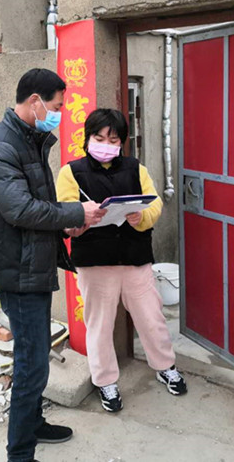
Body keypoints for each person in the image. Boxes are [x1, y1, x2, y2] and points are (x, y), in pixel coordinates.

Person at [0, 68, 107, 462]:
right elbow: (19, 210)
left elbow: (39, 207)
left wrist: (69, 224)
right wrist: (75, 212)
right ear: (34, 102)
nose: (59, 114)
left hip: (32, 264)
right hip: (15, 270)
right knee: (32, 364)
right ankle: (20, 453)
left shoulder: (28, 141)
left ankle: (33, 424)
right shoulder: (1, 147)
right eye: (56, 106)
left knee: (34, 356)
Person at [56, 108, 187, 413]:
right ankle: (105, 381)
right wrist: (80, 220)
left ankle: (165, 366)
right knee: (99, 325)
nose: (106, 145)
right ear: (88, 138)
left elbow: (154, 204)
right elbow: (65, 212)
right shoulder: (71, 172)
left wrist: (142, 216)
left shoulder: (135, 168)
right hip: (95, 261)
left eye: (113, 140)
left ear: (122, 142)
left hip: (134, 257)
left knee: (151, 318)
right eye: (99, 138)